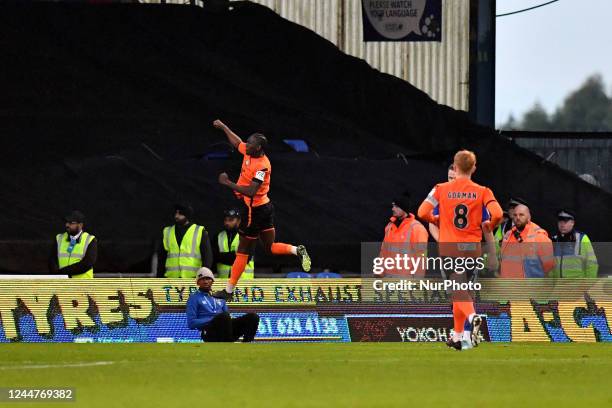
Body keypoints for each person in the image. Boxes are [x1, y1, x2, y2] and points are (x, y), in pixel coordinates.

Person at [212, 119, 311, 300]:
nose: (246, 145)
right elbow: (237, 142)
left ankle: (228, 291)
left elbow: (251, 191)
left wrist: (228, 183)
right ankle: (297, 250)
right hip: (266, 207)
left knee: (242, 250)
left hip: (254, 211)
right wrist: (224, 127)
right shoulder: (249, 152)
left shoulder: (262, 166)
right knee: (270, 247)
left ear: (258, 148)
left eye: (250, 144)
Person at [418, 150, 503, 350]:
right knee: (461, 290)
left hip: (450, 246)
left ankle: (472, 317)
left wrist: (435, 219)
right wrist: (491, 225)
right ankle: (458, 337)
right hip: (471, 247)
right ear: (473, 168)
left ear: (455, 168)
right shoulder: (483, 191)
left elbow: (422, 212)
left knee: (457, 289)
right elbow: (498, 213)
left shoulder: (441, 189)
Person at [186, 267, 260, 342]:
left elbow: (228, 317)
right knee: (223, 317)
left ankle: (247, 344)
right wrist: (214, 320)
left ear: (212, 281)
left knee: (253, 317)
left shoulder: (219, 296)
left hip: (225, 328)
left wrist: (223, 319)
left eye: (208, 279)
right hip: (209, 332)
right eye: (202, 279)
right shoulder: (193, 298)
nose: (205, 281)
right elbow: (191, 323)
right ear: (198, 282)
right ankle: (228, 345)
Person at [378, 192, 428, 277]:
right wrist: (379, 274)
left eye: (396, 206)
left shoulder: (417, 228)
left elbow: (421, 258)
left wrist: (417, 282)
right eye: (393, 206)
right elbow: (383, 252)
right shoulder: (390, 227)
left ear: (404, 209)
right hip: (387, 278)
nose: (393, 209)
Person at [157, 203, 213, 278]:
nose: (176, 216)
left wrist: (204, 277)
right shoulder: (167, 231)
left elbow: (207, 258)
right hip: (171, 278)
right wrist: (159, 278)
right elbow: (161, 257)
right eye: (176, 213)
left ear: (187, 215)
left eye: (180, 213)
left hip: (193, 279)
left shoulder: (199, 231)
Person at [499, 204, 555, 278]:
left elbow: (549, 265)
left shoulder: (540, 237)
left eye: (521, 215)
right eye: (515, 215)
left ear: (529, 217)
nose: (518, 218)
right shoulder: (508, 236)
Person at [49, 210, 97, 278]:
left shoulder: (90, 240)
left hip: (82, 285)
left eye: (71, 223)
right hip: (63, 284)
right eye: (66, 222)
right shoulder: (59, 238)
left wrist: (62, 273)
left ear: (80, 225)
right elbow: (52, 260)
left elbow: (87, 264)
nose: (67, 225)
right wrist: (57, 276)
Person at [551, 209, 598, 278]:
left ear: (572, 223)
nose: (562, 224)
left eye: (565, 221)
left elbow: (592, 264)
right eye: (560, 221)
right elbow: (550, 268)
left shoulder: (582, 239)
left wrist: (588, 286)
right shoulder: (553, 240)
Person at [214, 208, 254, 279]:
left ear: (239, 221)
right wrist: (234, 255)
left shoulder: (247, 236)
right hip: (223, 280)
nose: (227, 223)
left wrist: (222, 257)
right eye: (225, 220)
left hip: (243, 281)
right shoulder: (219, 236)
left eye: (231, 220)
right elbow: (215, 256)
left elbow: (246, 258)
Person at [428, 164, 456, 242]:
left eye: (455, 178)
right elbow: (432, 224)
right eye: (450, 178)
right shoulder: (440, 193)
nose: (452, 181)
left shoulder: (473, 194)